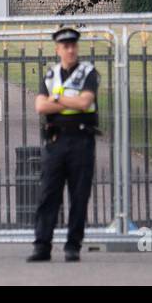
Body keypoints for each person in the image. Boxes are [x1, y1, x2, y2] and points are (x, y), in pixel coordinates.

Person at [28, 26, 99, 263]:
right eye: (65, 46)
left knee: (79, 195)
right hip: (56, 141)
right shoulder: (51, 75)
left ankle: (73, 246)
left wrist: (56, 99)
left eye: (73, 46)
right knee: (49, 193)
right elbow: (40, 106)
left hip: (81, 140)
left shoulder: (88, 73)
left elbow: (85, 102)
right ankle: (42, 246)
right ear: (58, 49)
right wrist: (69, 101)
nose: (70, 50)